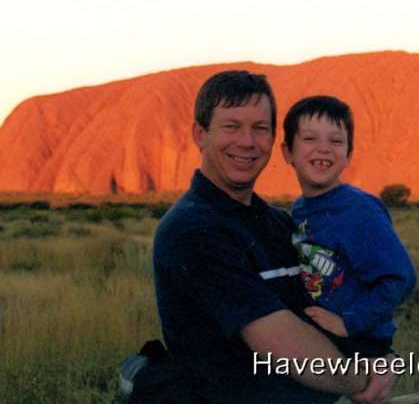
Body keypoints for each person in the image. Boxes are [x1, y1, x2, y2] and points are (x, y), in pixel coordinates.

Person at [152, 71, 396, 403]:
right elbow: (288, 350)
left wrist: (380, 353)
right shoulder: (193, 231)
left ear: (273, 140)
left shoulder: (280, 224)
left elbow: (336, 299)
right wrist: (365, 376)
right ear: (200, 134)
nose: (247, 142)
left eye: (260, 128)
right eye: (231, 126)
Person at [281, 96, 416, 359]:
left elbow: (401, 277)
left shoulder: (359, 209)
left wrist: (350, 323)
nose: (323, 149)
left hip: (358, 340)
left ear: (348, 155)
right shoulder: (300, 208)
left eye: (335, 141)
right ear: (288, 152)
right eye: (310, 139)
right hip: (322, 333)